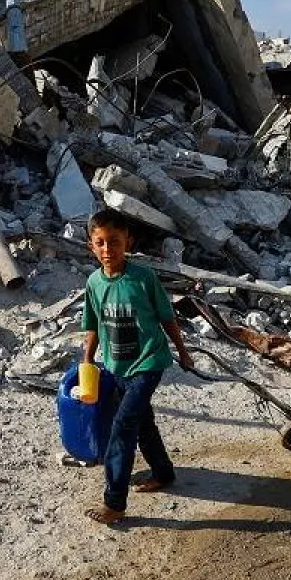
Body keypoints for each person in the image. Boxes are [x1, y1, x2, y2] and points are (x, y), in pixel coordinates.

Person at [80, 208, 194, 525]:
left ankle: (114, 504)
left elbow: (166, 318)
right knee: (142, 423)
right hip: (116, 366)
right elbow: (93, 323)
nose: (107, 250)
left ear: (128, 241)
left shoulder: (143, 278)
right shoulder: (94, 283)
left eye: (114, 242)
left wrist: (183, 352)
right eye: (100, 243)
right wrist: (88, 359)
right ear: (91, 245)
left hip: (148, 363)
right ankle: (163, 472)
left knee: (122, 430)